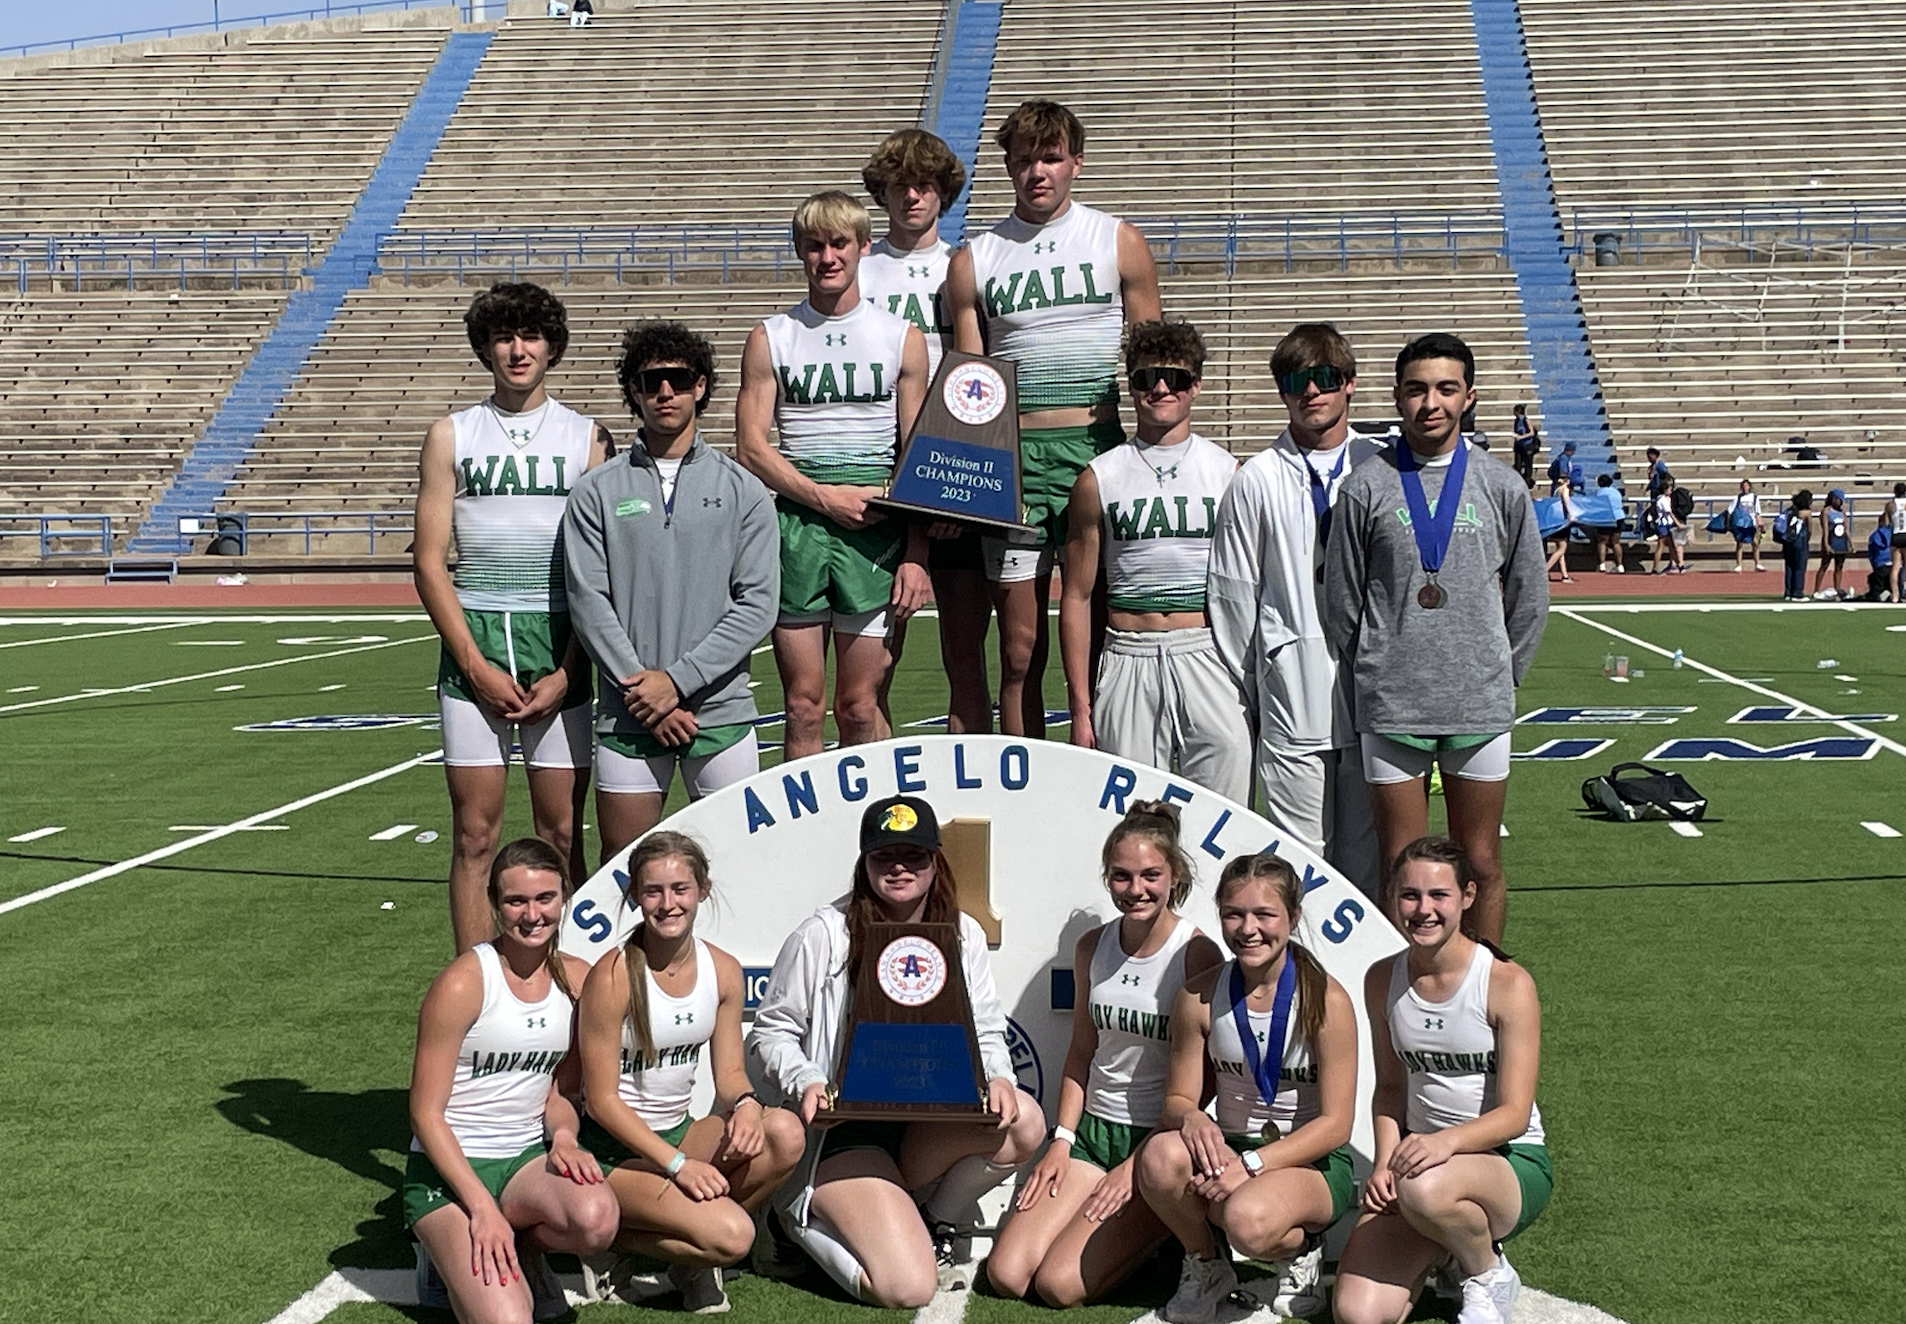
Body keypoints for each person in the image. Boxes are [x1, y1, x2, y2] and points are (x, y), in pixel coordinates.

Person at [746, 795, 1046, 1306]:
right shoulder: (823, 934)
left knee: (1025, 1122)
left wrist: (999, 1077)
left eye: (914, 855)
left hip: (926, 1121)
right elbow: (768, 1033)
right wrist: (806, 1081)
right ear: (864, 863)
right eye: (885, 856)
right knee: (907, 1288)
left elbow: (988, 1029)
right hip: (845, 1130)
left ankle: (935, 1221)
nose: (900, 867)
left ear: (936, 860)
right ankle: (785, 1222)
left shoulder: (963, 933)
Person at [945, 99, 1163, 738]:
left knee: (1098, 638)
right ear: (1007, 169)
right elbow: (967, 387)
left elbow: (1152, 360)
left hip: (1097, 452)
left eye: (1050, 157)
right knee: (1018, 651)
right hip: (1012, 461)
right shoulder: (975, 260)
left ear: (1076, 163)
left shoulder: (1116, 240)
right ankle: (1023, 780)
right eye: (1022, 161)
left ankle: (1098, 775)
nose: (1036, 171)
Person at [1321, 334, 1547, 945]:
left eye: (1446, 389)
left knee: (1479, 862)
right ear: (1397, 397)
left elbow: (1530, 596)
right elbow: (1340, 601)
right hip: (1393, 704)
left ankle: (1482, 989)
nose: (1431, 403)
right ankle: (1404, 996)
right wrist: (1372, 667)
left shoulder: (1502, 487)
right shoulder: (1366, 487)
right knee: (1405, 868)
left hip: (1478, 702)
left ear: (1468, 397)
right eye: (1417, 389)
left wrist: (1502, 673)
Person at [414, 282, 607, 952]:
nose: (517, 350)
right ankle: (477, 983)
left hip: (558, 642)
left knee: (560, 833)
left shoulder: (586, 438)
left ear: (551, 345)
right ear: (485, 348)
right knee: (475, 833)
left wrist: (567, 670)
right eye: (504, 337)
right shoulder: (451, 434)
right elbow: (431, 562)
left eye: (530, 336)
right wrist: (473, 664)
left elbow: (599, 573)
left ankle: (572, 974)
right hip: (477, 640)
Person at [986, 803, 1222, 1306]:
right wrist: (1061, 1141)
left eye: (1150, 875)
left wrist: (1136, 1168)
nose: (1135, 890)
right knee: (1007, 1274)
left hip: (1157, 1145)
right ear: (1107, 877)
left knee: (1057, 1285)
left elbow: (1206, 1082)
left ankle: (1169, 1228)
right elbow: (1081, 1052)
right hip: (1094, 1133)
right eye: (1121, 876)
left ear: (1174, 874)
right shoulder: (1092, 946)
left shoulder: (1197, 953)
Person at [564, 322, 779, 862]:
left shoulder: (745, 490)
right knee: (625, 869)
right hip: (628, 714)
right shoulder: (596, 490)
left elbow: (757, 604)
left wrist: (677, 683)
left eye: (678, 379)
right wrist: (648, 697)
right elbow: (589, 601)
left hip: (721, 713)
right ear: (633, 391)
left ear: (700, 387)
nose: (665, 392)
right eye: (651, 380)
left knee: (736, 866)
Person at [735, 192, 931, 761]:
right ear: (799, 251)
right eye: (815, 245)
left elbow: (917, 457)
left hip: (876, 530)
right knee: (801, 706)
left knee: (859, 706)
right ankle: (807, 847)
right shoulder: (771, 336)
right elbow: (751, 446)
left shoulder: (901, 336)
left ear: (864, 247)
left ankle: (868, 832)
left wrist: (916, 553)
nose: (827, 256)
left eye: (839, 242)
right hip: (797, 526)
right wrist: (823, 498)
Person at [574, 832, 806, 1310]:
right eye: (653, 891)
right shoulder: (612, 975)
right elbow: (599, 1101)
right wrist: (677, 1166)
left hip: (679, 1134)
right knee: (734, 1236)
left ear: (703, 889)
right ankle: (613, 1244)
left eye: (680, 888)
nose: (668, 903)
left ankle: (691, 1257)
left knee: (783, 1132)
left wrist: (744, 1105)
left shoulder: (722, 969)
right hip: (612, 1154)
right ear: (635, 896)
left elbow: (729, 1075)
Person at [1332, 837, 1550, 1324]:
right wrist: (1385, 1164)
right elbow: (1390, 1089)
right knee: (1357, 1314)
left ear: (1468, 896)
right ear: (1391, 897)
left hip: (1509, 1163)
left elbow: (1515, 1114)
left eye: (1439, 896)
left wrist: (1442, 1145)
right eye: (1409, 895)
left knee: (1424, 1188)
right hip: (1421, 1166)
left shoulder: (1507, 983)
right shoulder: (1380, 978)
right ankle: (1448, 1246)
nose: (1422, 910)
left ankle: (1487, 1271)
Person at [404, 838, 621, 1323]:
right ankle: (437, 1255)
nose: (532, 915)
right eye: (515, 901)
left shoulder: (578, 980)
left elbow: (558, 1092)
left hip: (522, 1161)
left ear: (564, 896)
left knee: (597, 1220)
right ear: (494, 904)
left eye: (545, 898)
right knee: (509, 1319)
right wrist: (480, 1206)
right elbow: (424, 1113)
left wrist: (564, 1136)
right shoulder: (463, 981)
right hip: (449, 1172)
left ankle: (523, 1249)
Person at [1137, 852, 1358, 1324]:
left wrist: (1251, 1166)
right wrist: (1193, 1116)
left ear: (1293, 917)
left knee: (1245, 1220)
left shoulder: (1326, 998)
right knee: (1158, 1158)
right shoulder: (1199, 994)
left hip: (1309, 1159)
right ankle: (1207, 1264)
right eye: (1234, 914)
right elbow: (1178, 1098)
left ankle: (1302, 1251)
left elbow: (1337, 1124)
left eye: (1264, 914)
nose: (1248, 928)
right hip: (1232, 1148)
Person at [1208, 322, 1383, 897]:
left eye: (1326, 378)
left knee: (1367, 862)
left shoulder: (1381, 466)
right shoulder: (1255, 477)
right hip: (1293, 695)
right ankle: (1303, 984)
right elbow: (1233, 596)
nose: (1312, 391)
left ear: (1350, 384)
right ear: (1281, 390)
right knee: (1300, 863)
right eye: (1296, 380)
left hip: (1374, 695)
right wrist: (1267, 675)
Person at [1060, 320, 1249, 802]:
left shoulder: (1228, 473)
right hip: (1128, 653)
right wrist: (1081, 708)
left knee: (1224, 815)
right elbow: (1078, 596)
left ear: (1196, 386)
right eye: (1146, 378)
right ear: (1131, 387)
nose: (1160, 388)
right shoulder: (1098, 477)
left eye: (1176, 378)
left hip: (1208, 652)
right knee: (1134, 822)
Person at [858, 129, 993, 734]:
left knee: (967, 659)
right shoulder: (859, 270)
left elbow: (985, 377)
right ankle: (889, 807)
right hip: (883, 471)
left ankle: (974, 793)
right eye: (900, 185)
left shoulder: (962, 268)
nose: (914, 196)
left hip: (954, 469)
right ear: (881, 193)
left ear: (946, 192)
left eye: (927, 184)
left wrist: (955, 479)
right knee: (875, 669)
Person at [1774, 489, 1813, 602]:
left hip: (1788, 541)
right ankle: (1797, 592)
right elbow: (1810, 529)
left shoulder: (1789, 511)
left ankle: (1788, 592)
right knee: (1799, 567)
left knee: (1789, 567)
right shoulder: (1806, 513)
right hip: (1800, 540)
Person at [1814, 488, 1853, 600]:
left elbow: (1846, 529)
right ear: (1834, 499)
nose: (1840, 502)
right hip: (1831, 540)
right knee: (1824, 565)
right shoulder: (1826, 511)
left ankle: (1837, 588)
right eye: (1839, 500)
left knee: (1839, 566)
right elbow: (1825, 529)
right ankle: (1816, 590)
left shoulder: (1842, 513)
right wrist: (1826, 544)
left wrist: (1851, 543)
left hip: (1841, 542)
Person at [1649, 475, 1687, 574]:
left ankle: (1680, 565)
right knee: (1661, 546)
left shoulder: (1666, 499)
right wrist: (1678, 523)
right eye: (1669, 489)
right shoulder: (1662, 500)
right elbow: (1669, 512)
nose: (1671, 491)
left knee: (1671, 546)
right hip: (1663, 525)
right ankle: (1654, 568)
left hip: (1667, 525)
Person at [1728, 478, 1765, 573]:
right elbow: (1730, 510)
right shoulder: (1738, 498)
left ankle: (1757, 564)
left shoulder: (1755, 498)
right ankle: (1739, 565)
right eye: (1743, 486)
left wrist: (1759, 522)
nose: (1745, 488)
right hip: (1740, 523)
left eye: (1746, 486)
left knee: (1755, 543)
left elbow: (1757, 512)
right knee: (1739, 544)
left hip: (1751, 522)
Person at [1542, 486, 1574, 585]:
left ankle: (1564, 575)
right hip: (1562, 521)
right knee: (1562, 548)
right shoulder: (1565, 489)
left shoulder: (1557, 489)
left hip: (1556, 520)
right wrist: (1571, 514)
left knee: (1561, 551)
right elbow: (1566, 501)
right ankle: (1544, 572)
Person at [1509, 404, 1537, 488]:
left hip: (1527, 445)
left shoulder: (1526, 420)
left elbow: (1531, 433)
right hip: (1519, 445)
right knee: (1517, 464)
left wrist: (1521, 437)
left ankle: (1527, 480)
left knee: (1528, 464)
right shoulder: (1516, 421)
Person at [1887, 482, 1906, 603]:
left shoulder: (1890, 504)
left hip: (1896, 535)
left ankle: (1895, 595)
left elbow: (1888, 521)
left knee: (1895, 568)